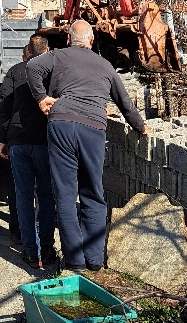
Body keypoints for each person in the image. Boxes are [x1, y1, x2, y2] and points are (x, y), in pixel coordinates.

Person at [27, 19, 150, 273]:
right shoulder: (105, 65)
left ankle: (75, 262)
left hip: (61, 124)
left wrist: (41, 98)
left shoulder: (58, 56)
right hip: (93, 128)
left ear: (69, 39)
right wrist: (140, 126)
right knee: (93, 194)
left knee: (65, 195)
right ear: (92, 41)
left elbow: (32, 67)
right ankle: (94, 261)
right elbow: (125, 103)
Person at [0, 34, 57, 269]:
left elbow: (4, 106)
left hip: (19, 142)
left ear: (28, 51)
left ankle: (31, 252)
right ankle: (47, 250)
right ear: (47, 49)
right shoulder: (53, 71)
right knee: (46, 195)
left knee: (23, 196)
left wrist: (3, 139)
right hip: (45, 141)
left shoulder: (15, 71)